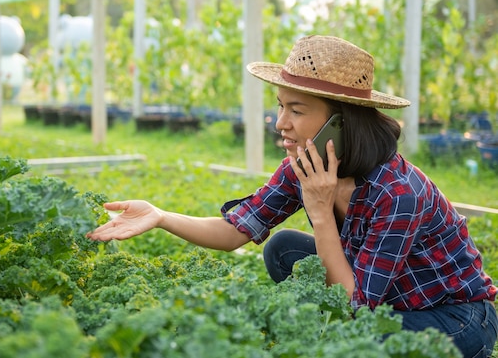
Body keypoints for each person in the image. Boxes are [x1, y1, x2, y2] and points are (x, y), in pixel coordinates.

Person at [86, 35, 498, 358]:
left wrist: (320, 212)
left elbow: (355, 309)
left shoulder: (398, 193)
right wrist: (160, 215)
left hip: (454, 320)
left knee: (356, 335)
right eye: (280, 106)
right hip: (378, 297)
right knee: (281, 247)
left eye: (296, 111)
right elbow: (235, 231)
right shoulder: (303, 163)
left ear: (340, 122)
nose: (280, 122)